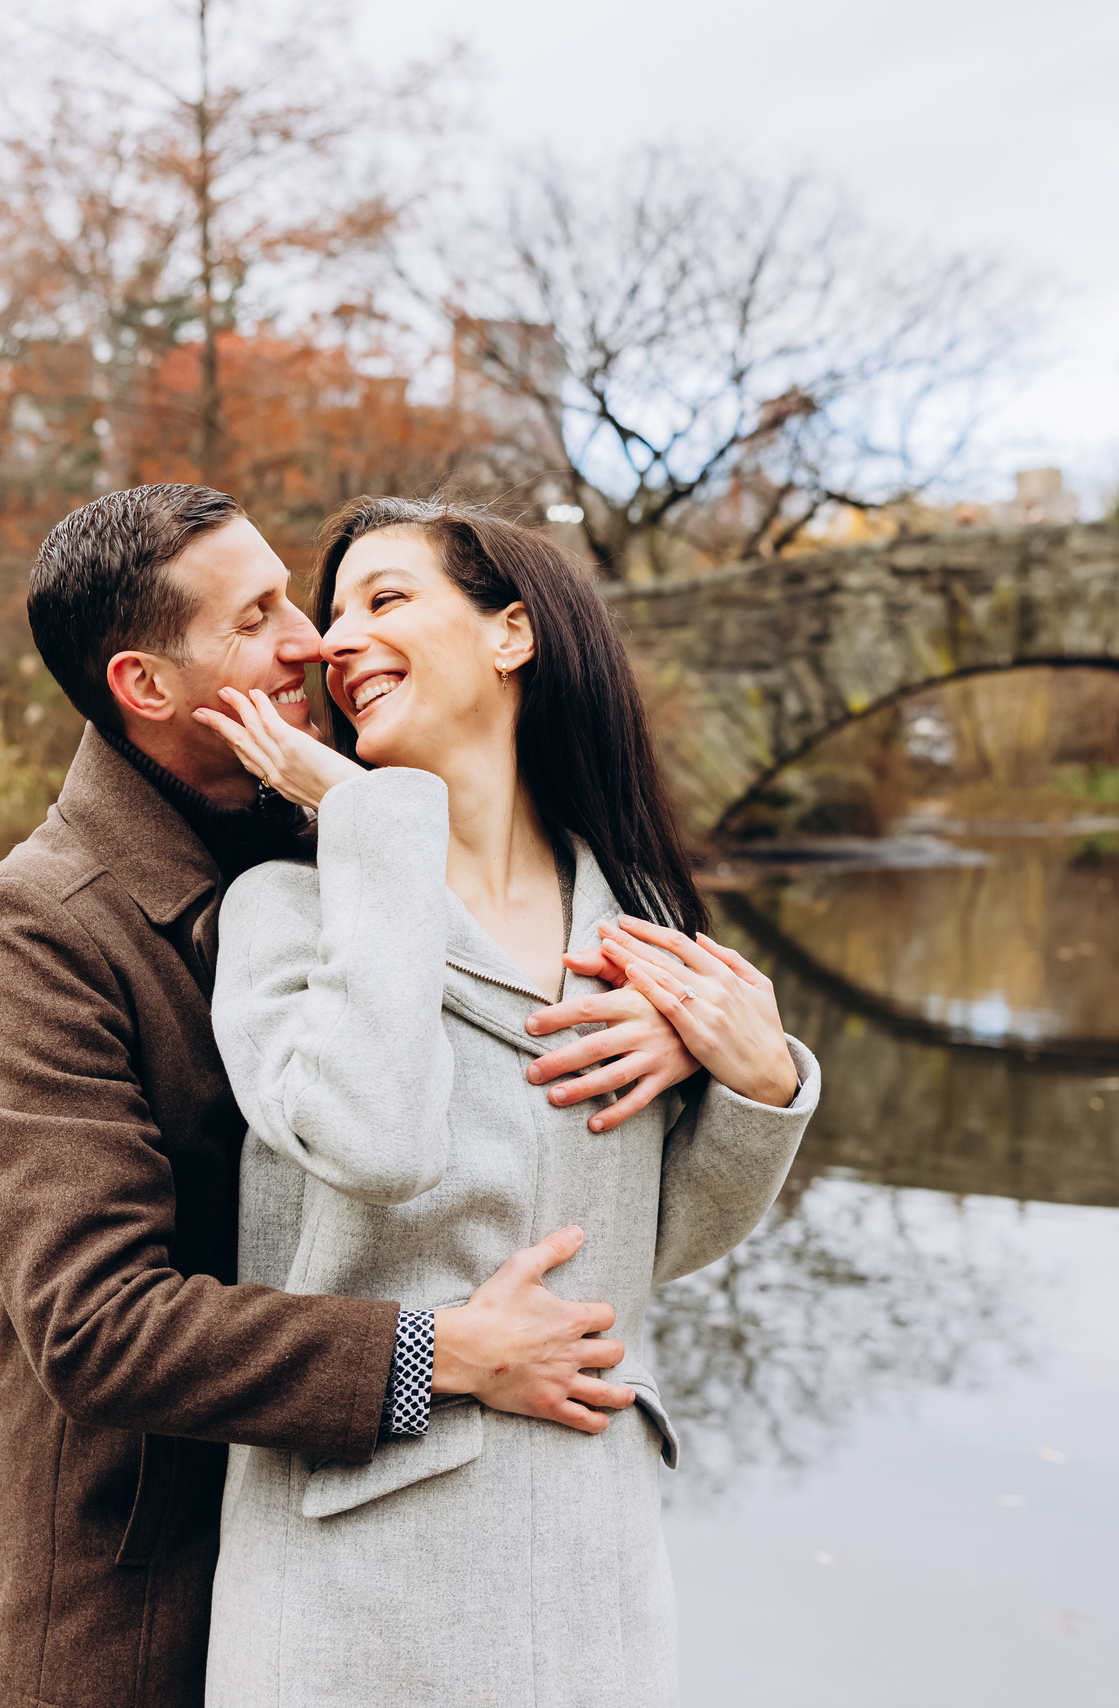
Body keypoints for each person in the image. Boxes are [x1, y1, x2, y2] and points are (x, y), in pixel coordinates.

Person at [0, 485, 714, 1708]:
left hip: (410, 1560)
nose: (312, 643)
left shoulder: (339, 809)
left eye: (292, 600)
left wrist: (689, 1044)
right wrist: (436, 1351)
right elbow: (95, 1326)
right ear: (146, 685)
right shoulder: (44, 921)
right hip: (146, 1602)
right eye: (257, 619)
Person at [192, 497, 821, 1705]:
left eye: (384, 598)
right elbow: (373, 1140)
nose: (335, 641)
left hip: (595, 1581)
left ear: (512, 633)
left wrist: (756, 1078)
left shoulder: (635, 919)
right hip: (361, 1596)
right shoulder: (287, 911)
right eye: (333, 614)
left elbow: (642, 1248)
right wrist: (368, 819)